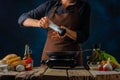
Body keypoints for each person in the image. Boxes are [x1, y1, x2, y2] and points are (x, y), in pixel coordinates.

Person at [18, 0, 90, 66]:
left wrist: (67, 32)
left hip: (72, 59)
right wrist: (39, 23)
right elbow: (22, 19)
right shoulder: (50, 5)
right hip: (49, 58)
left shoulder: (83, 7)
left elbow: (83, 36)